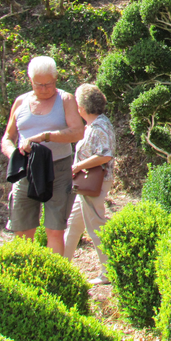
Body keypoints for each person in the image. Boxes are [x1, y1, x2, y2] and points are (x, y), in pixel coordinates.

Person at [1, 56, 85, 255]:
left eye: (50, 83)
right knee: (22, 228)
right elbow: (7, 137)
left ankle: (53, 276)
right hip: (26, 171)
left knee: (54, 229)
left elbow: (78, 132)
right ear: (30, 80)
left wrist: (45, 137)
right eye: (40, 85)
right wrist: (15, 155)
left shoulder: (65, 100)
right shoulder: (21, 102)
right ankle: (25, 275)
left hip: (57, 169)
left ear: (56, 79)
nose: (46, 88)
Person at [63, 84, 117, 285]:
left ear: (83, 108)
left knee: (95, 225)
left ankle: (108, 271)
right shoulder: (98, 124)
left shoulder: (99, 127)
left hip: (94, 182)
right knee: (74, 224)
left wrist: (77, 166)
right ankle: (61, 264)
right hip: (89, 183)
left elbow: (105, 154)